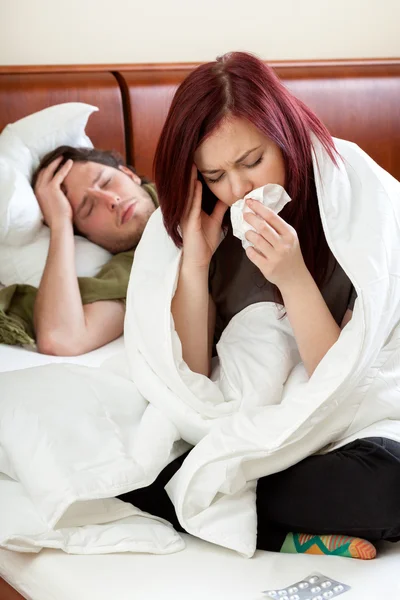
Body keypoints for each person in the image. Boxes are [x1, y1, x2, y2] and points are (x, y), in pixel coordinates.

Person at [119, 52, 400, 560]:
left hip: (344, 408)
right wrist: (196, 261)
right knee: (116, 457)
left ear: (286, 135)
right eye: (215, 174)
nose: (239, 188)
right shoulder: (203, 218)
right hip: (251, 415)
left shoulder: (351, 187)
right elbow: (191, 374)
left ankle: (204, 500)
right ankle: (244, 508)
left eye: (251, 162)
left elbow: (339, 375)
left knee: (388, 485)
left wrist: (293, 279)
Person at [0, 147, 157, 355]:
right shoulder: (134, 268)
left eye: (106, 182)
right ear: (86, 237)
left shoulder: (196, 181)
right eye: (89, 208)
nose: (111, 200)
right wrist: (60, 224)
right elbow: (61, 339)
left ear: (129, 174)